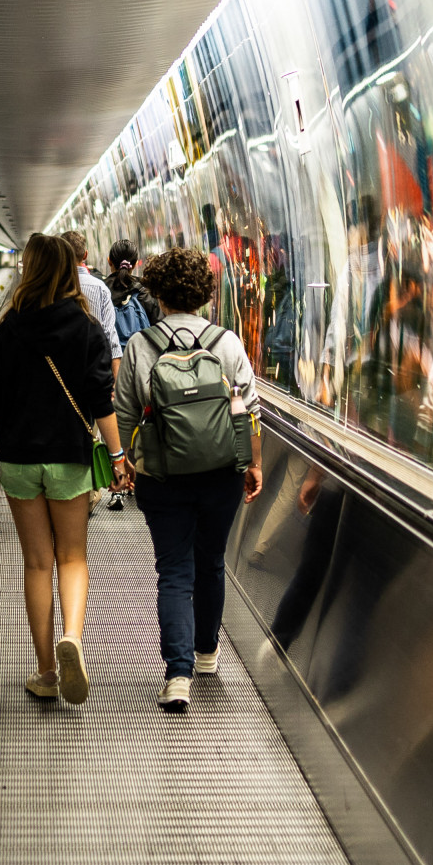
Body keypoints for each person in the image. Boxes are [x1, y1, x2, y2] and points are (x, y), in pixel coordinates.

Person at [0, 233, 130, 706]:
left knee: (37, 563)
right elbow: (102, 400)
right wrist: (118, 456)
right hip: (69, 457)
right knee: (73, 558)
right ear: (70, 269)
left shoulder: (9, 327)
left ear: (29, 268)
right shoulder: (86, 327)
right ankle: (73, 639)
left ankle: (44, 671)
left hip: (20, 459)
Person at [115, 246, 262, 713]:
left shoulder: (140, 346)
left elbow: (123, 411)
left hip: (162, 476)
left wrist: (129, 461)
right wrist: (253, 464)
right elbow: (250, 411)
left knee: (174, 571)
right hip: (221, 473)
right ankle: (206, 655)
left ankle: (176, 676)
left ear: (156, 292)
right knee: (212, 561)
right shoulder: (228, 342)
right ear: (204, 292)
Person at [101, 241, 160, 509]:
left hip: (111, 366)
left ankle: (117, 485)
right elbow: (161, 329)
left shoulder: (101, 289)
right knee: (142, 421)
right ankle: (142, 479)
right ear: (136, 263)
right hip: (143, 368)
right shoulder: (146, 293)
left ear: (110, 262)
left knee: (116, 423)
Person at [60, 230, 121, 373]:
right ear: (85, 255)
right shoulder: (100, 288)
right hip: (96, 368)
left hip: (63, 370)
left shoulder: (53, 288)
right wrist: (115, 383)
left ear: (60, 255)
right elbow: (110, 335)